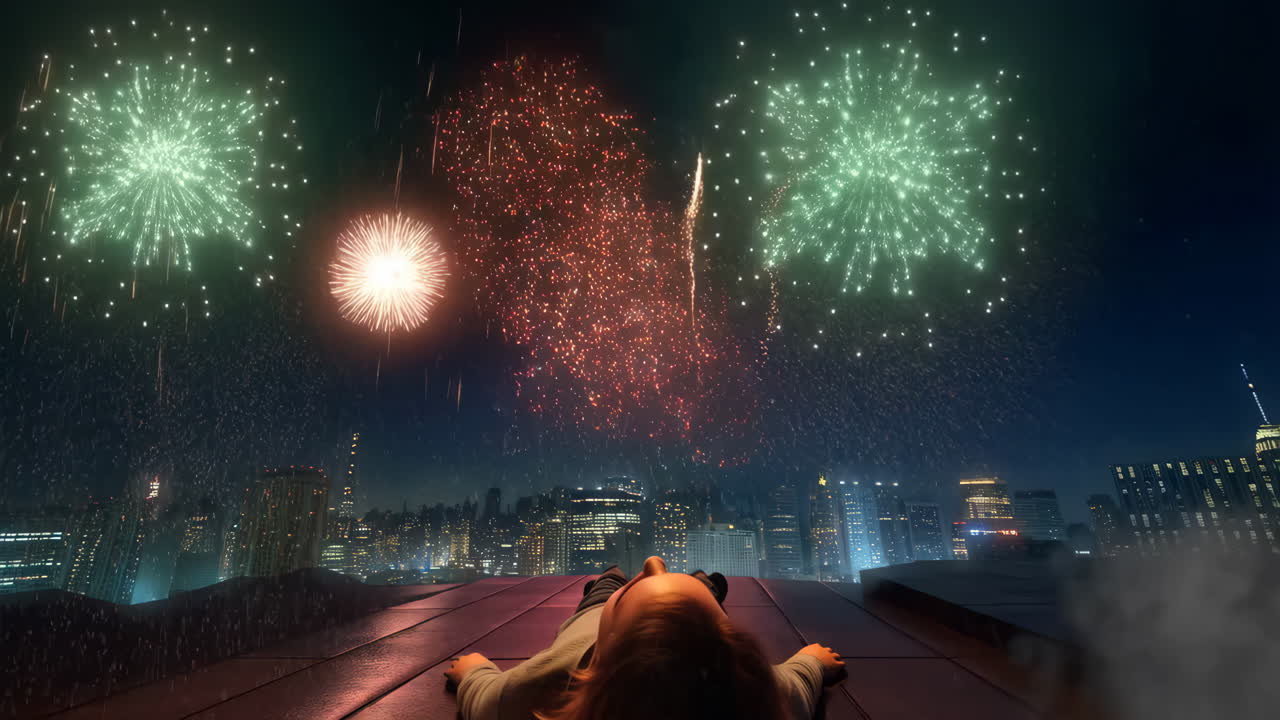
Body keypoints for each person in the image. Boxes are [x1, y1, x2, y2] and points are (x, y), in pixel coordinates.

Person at [445, 556, 846, 720]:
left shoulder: (547, 683)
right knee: (695, 591)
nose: (654, 561)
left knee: (603, 588)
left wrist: (473, 671)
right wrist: (814, 662)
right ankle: (702, 588)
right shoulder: (749, 686)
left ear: (602, 655)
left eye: (634, 589)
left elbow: (486, 698)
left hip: (589, 617)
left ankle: (618, 581)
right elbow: (798, 682)